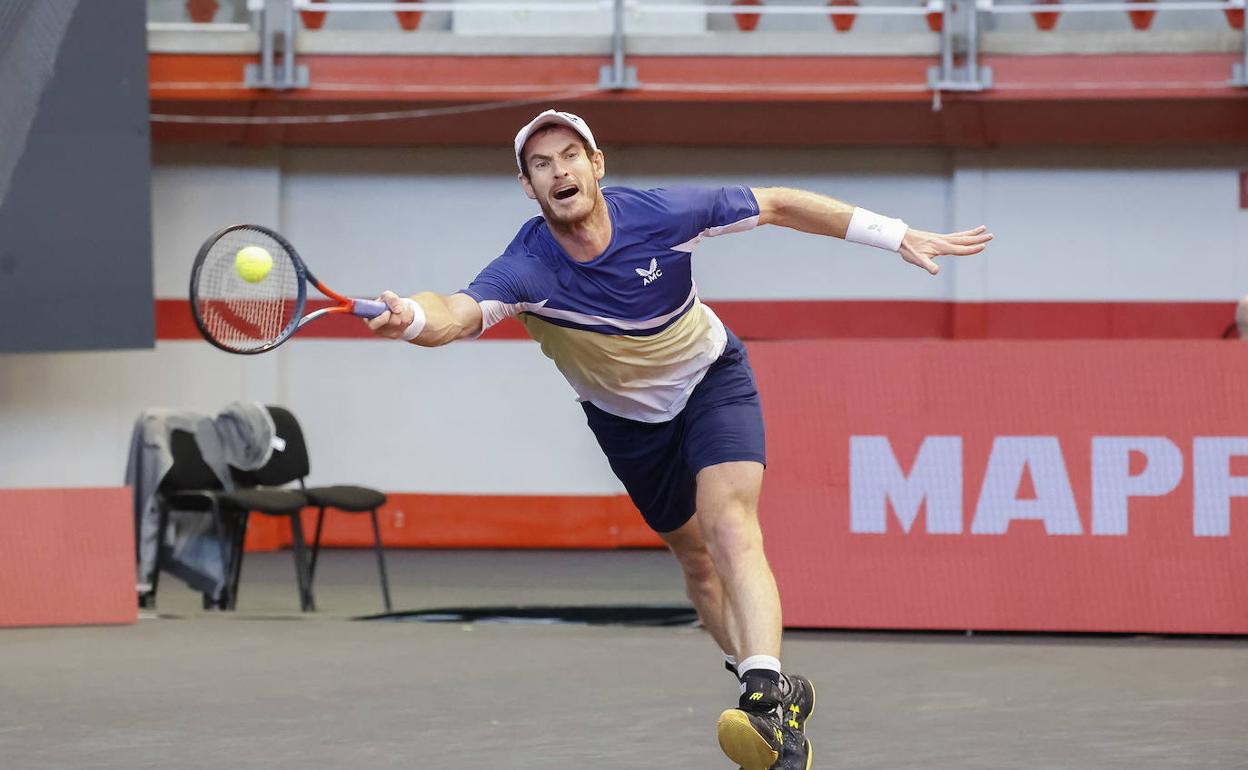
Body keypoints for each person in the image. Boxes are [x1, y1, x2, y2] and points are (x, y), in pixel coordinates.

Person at [366, 109, 992, 770]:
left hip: (710, 380)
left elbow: (778, 204)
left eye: (570, 155)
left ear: (596, 165)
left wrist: (893, 235)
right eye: (542, 164)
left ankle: (764, 699)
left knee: (731, 527)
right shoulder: (527, 267)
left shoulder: (662, 214)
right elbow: (456, 314)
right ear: (529, 187)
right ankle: (781, 691)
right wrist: (410, 317)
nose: (560, 170)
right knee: (695, 562)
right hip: (626, 424)